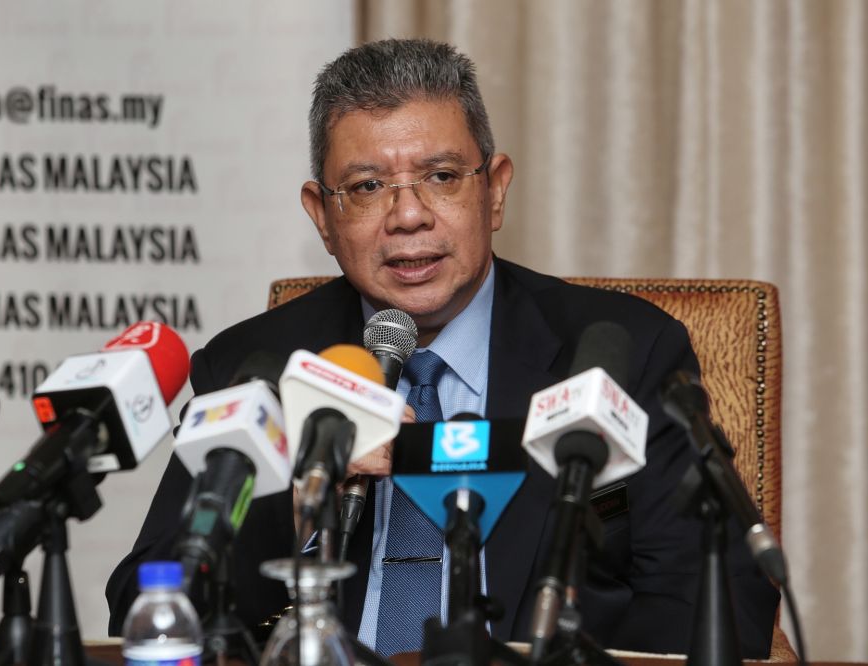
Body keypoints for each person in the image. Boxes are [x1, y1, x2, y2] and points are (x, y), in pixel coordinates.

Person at [107, 38, 779, 657]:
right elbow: (143, 608)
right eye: (367, 187)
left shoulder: (619, 353)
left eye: (442, 176)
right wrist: (292, 502)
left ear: (495, 191)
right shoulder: (256, 366)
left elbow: (718, 604)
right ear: (322, 215)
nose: (407, 215)